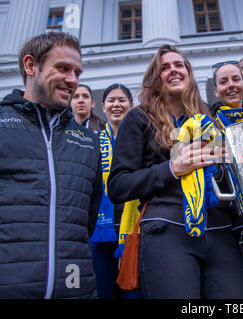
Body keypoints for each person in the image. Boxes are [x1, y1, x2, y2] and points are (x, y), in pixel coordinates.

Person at [107, 44, 243, 299]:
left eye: (179, 65)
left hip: (219, 231)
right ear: (155, 79)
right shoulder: (138, 118)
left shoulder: (210, 117)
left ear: (189, 73)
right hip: (167, 229)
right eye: (164, 67)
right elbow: (118, 185)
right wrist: (173, 168)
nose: (173, 70)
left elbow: (227, 183)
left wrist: (225, 164)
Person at [0, 32, 102, 298]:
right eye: (63, 68)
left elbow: (86, 220)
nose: (73, 80)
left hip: (74, 289)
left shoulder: (88, 141)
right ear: (31, 66)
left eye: (77, 72)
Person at [89, 83, 142, 299]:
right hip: (102, 234)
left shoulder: (142, 141)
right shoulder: (92, 143)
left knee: (135, 293)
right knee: (105, 294)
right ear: (103, 106)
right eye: (111, 100)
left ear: (131, 105)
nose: (116, 105)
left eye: (122, 100)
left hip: (135, 232)